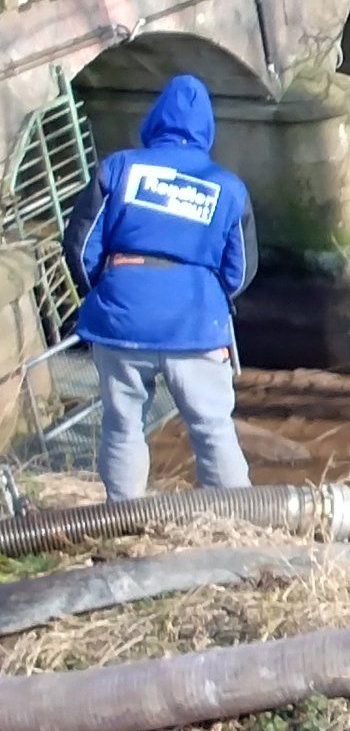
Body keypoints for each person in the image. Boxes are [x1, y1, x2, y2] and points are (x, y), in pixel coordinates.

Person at [61, 74, 257, 502]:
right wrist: (203, 295)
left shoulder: (119, 168)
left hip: (121, 316)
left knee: (122, 423)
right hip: (194, 321)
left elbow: (78, 245)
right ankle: (240, 518)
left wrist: (111, 287)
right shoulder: (227, 188)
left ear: (153, 122)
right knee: (212, 427)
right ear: (207, 129)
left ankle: (123, 516)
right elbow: (239, 273)